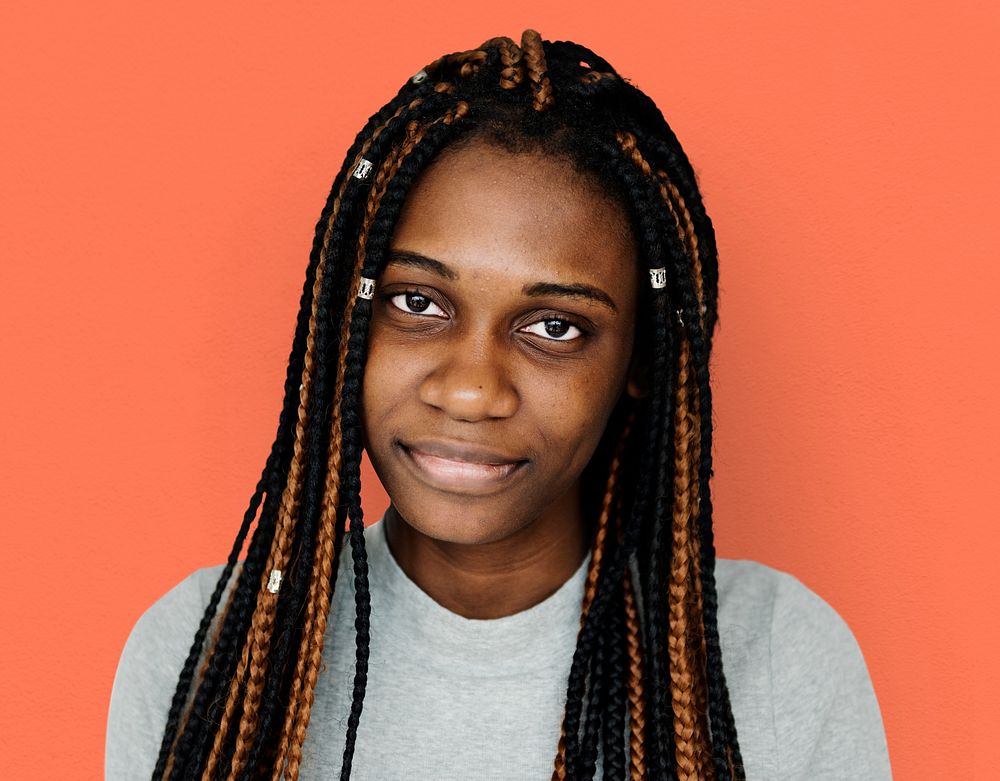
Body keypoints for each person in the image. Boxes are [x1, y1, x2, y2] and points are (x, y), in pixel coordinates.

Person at [105, 30, 892, 781]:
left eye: (555, 325)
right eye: (418, 301)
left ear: (639, 360)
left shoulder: (781, 656)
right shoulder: (207, 650)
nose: (473, 388)